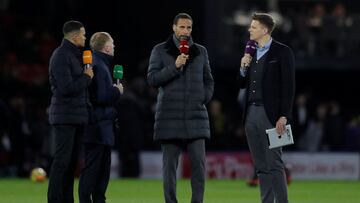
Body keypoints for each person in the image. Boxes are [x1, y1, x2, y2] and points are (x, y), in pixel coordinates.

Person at [147, 13, 214, 203]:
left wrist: (203, 98)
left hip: (196, 116)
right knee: (169, 168)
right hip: (169, 116)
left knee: (199, 168)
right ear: (174, 28)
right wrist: (174, 66)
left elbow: (209, 80)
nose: (186, 31)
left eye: (189, 28)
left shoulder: (201, 51)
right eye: (182, 27)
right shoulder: (160, 50)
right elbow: (152, 79)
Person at [239, 13, 295, 203]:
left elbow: (289, 87)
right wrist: (242, 67)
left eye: (253, 27)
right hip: (251, 114)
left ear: (264, 30)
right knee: (261, 166)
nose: (250, 30)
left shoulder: (282, 51)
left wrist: (283, 116)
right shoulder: (251, 52)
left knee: (275, 164)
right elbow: (242, 83)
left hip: (271, 115)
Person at [47, 20, 94, 203]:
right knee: (62, 161)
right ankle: (54, 199)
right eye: (83, 34)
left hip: (76, 115)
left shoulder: (74, 55)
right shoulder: (61, 56)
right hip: (65, 115)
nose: (84, 37)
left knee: (71, 163)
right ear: (74, 36)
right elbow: (66, 88)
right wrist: (86, 77)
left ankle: (67, 199)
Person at [78, 32, 123, 203]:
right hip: (98, 126)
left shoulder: (96, 63)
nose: (114, 46)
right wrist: (117, 91)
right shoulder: (100, 66)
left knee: (100, 169)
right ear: (105, 47)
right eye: (112, 43)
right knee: (94, 169)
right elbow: (101, 96)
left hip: (99, 126)